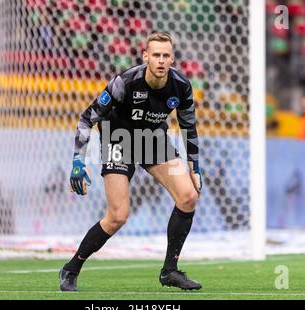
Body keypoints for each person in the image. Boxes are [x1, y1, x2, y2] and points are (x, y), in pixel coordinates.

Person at [60, 32, 203, 291]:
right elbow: (86, 118)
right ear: (145, 56)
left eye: (166, 56)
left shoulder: (181, 86)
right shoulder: (125, 82)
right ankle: (71, 268)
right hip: (118, 138)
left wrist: (195, 166)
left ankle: (169, 271)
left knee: (188, 196)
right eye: (156, 55)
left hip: (152, 139)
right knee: (118, 216)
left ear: (172, 59)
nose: (161, 60)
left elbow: (188, 126)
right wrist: (77, 163)